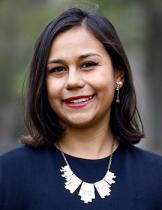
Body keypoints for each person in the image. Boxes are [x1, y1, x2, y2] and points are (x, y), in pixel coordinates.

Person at [0, 7, 162, 210]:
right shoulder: (7, 175)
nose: (73, 82)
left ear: (118, 75)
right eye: (58, 69)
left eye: (88, 64)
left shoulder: (157, 177)